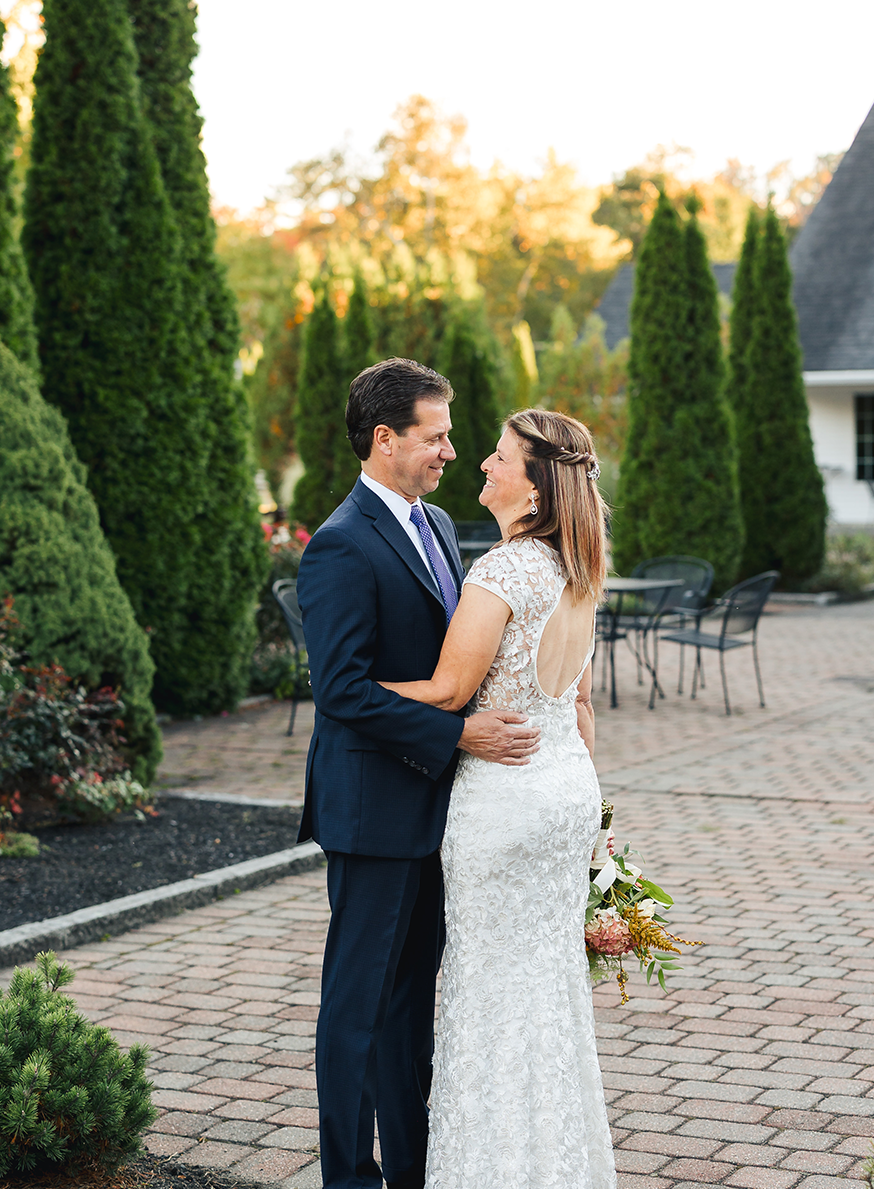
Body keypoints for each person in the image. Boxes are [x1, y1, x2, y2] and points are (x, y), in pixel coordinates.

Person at [296, 358, 541, 1189]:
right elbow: (340, 692)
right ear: (384, 438)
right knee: (356, 1010)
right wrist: (461, 735)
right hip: (371, 811)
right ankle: (347, 1176)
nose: (448, 451)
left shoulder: (435, 525)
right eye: (434, 437)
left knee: (409, 1009)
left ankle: (410, 1167)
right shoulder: (337, 546)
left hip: (439, 809)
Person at [379, 408, 617, 1188]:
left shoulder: (504, 570)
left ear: (536, 484)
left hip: (507, 803)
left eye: (501, 457)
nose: (483, 462)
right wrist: (598, 835)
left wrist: (351, 686)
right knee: (545, 992)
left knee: (488, 994)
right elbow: (580, 708)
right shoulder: (581, 569)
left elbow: (449, 692)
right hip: (565, 793)